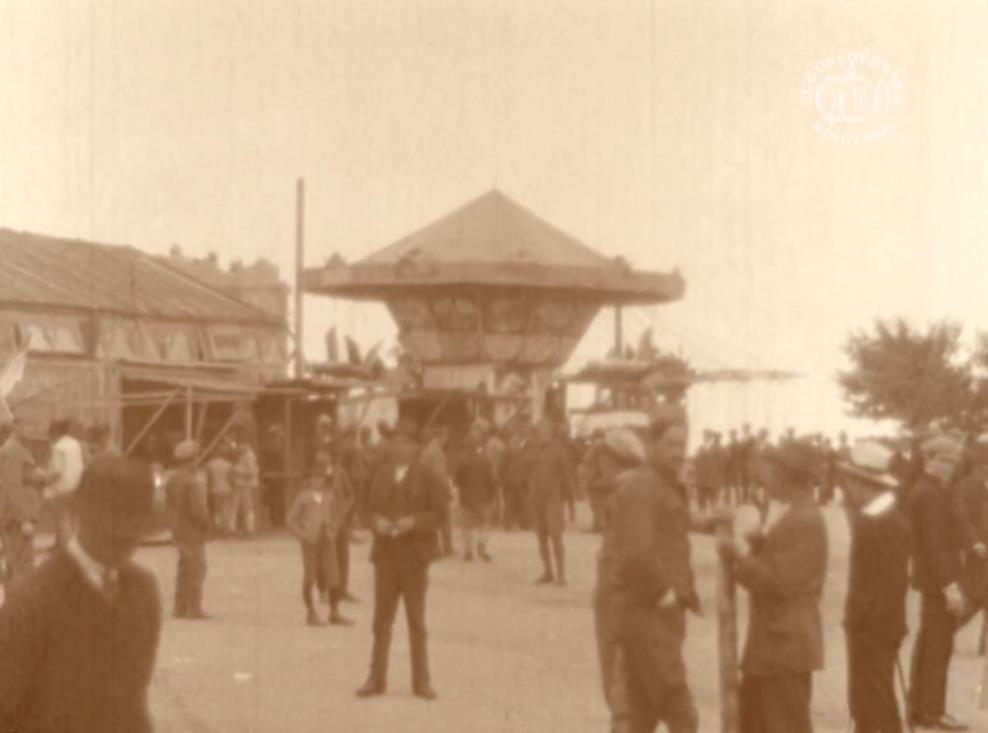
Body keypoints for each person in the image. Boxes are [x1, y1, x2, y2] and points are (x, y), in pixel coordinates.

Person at [0, 455, 161, 732]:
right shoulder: (31, 600)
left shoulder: (142, 592)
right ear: (80, 511)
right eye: (113, 520)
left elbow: (134, 703)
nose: (125, 535)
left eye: (136, 523)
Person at [719, 439, 828, 733]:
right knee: (753, 722)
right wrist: (755, 547)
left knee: (785, 724)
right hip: (771, 644)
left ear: (789, 475)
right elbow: (767, 573)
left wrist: (741, 554)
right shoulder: (792, 514)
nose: (765, 479)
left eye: (771, 471)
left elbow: (779, 581)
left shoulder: (806, 519)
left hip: (786, 646)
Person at [611, 406, 701, 733]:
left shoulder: (662, 485)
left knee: (638, 717)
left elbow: (668, 528)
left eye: (683, 444)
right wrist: (664, 594)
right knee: (682, 714)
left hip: (655, 619)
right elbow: (636, 552)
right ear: (652, 443)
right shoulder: (643, 486)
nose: (679, 452)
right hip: (649, 617)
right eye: (671, 444)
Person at [356, 417, 447, 700]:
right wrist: (375, 522)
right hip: (385, 557)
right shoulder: (380, 474)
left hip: (414, 558)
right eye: (395, 442)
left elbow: (439, 515)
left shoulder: (428, 477)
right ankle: (376, 677)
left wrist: (414, 523)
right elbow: (364, 509)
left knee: (416, 621)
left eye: (405, 443)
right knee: (381, 621)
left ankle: (422, 681)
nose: (399, 448)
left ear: (416, 447)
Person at [839, 440, 911, 733]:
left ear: (863, 482)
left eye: (849, 481)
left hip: (874, 628)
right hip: (873, 625)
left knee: (873, 703)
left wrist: (864, 623)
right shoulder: (876, 517)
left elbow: (892, 583)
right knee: (867, 702)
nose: (846, 488)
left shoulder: (882, 522)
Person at [907, 434, 969, 731]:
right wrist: (950, 585)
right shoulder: (928, 493)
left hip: (933, 579)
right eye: (945, 460)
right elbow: (934, 545)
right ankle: (931, 710)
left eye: (954, 462)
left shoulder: (931, 489)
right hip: (938, 581)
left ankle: (919, 706)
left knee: (930, 642)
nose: (951, 467)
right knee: (938, 645)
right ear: (929, 459)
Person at [593, 425, 648, 733]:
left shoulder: (623, 496)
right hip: (619, 599)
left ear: (613, 460)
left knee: (619, 685)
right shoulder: (633, 491)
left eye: (603, 457)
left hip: (617, 603)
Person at [286, 462, 351, 626]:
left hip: (327, 540)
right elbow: (290, 519)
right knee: (310, 575)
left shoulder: (329, 496)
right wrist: (302, 534)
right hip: (310, 541)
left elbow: (337, 515)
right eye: (314, 478)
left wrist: (333, 529)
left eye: (320, 478)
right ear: (309, 480)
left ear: (325, 480)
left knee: (333, 575)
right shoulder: (303, 497)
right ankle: (311, 613)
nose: (317, 481)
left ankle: (334, 612)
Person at [166, 439, 212, 620]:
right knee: (197, 568)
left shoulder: (173, 480)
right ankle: (194, 608)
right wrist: (208, 525)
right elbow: (198, 511)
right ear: (193, 460)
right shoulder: (192, 482)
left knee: (184, 569)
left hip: (177, 531)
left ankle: (179, 607)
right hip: (192, 533)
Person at [528, 419, 573, 586]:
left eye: (542, 431)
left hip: (553, 499)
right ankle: (547, 571)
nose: (540, 434)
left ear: (550, 433)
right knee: (541, 536)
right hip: (536, 498)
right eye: (538, 432)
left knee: (556, 536)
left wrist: (569, 503)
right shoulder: (533, 451)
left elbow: (567, 478)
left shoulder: (560, 452)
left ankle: (561, 574)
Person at [0, 419, 43, 588]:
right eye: (26, 425)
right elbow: (12, 487)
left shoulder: (18, 450)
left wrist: (40, 477)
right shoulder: (14, 451)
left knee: (19, 563)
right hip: (18, 518)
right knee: (21, 564)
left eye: (32, 425)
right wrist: (23, 519)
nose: (31, 429)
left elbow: (23, 478)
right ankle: (18, 609)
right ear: (16, 428)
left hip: (20, 515)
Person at [454, 428, 496, 562]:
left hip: (466, 497)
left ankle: (468, 551)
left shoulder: (461, 460)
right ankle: (481, 545)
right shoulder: (485, 459)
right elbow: (491, 479)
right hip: (483, 497)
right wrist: (493, 494)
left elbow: (457, 480)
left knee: (466, 526)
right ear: (479, 444)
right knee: (485, 523)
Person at [43, 418, 85, 546]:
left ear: (54, 433)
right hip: (78, 485)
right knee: (74, 519)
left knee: (62, 518)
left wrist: (44, 480)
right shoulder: (75, 444)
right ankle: (77, 546)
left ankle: (67, 547)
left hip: (63, 488)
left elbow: (57, 471)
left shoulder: (58, 447)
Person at [420, 425, 454, 557]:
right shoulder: (436, 452)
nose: (446, 440)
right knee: (444, 519)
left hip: (428, 490)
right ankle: (447, 548)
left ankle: (435, 549)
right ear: (440, 437)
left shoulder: (429, 449)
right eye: (446, 437)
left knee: (433, 520)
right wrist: (447, 490)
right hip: (437, 490)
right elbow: (439, 474)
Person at [230, 438, 259, 535]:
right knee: (235, 507)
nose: (239, 447)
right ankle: (233, 528)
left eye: (241, 444)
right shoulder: (244, 454)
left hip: (245, 485)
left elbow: (251, 472)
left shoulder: (250, 455)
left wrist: (236, 470)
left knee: (246, 507)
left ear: (247, 444)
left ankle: (249, 529)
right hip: (240, 484)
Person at [206, 440, 235, 535]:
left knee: (216, 511)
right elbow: (231, 479)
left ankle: (217, 529)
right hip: (227, 489)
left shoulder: (210, 465)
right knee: (226, 510)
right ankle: (226, 529)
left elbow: (209, 479)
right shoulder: (229, 465)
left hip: (215, 490)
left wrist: (209, 490)